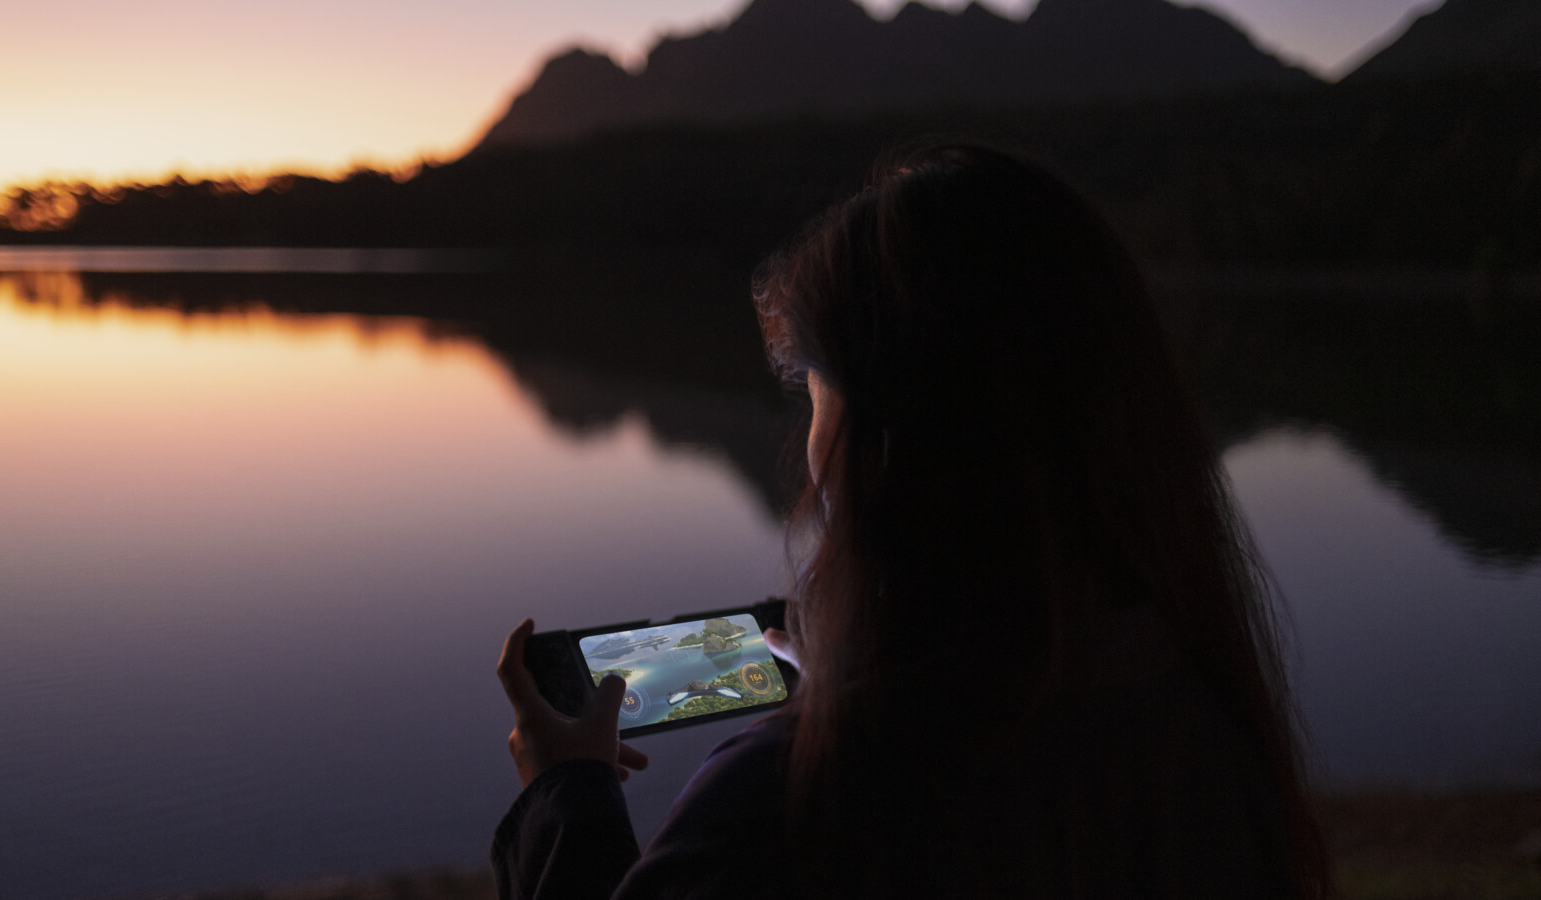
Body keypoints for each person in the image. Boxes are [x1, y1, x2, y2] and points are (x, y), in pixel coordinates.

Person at [492, 141, 1331, 899]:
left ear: (884, 445)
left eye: (814, 401)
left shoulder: (794, 800)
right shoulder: (1208, 738)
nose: (809, 452)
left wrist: (565, 798)